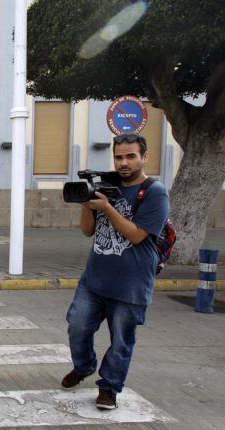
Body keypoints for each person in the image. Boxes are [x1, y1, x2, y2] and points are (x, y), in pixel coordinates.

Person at [61, 133, 169, 410]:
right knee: (77, 327)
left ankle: (109, 387)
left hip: (131, 285)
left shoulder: (155, 192)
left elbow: (136, 235)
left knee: (121, 340)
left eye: (131, 156)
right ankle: (84, 366)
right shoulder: (107, 186)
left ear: (144, 157)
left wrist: (107, 208)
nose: (124, 163)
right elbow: (88, 231)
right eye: (119, 157)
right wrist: (88, 205)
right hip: (94, 279)